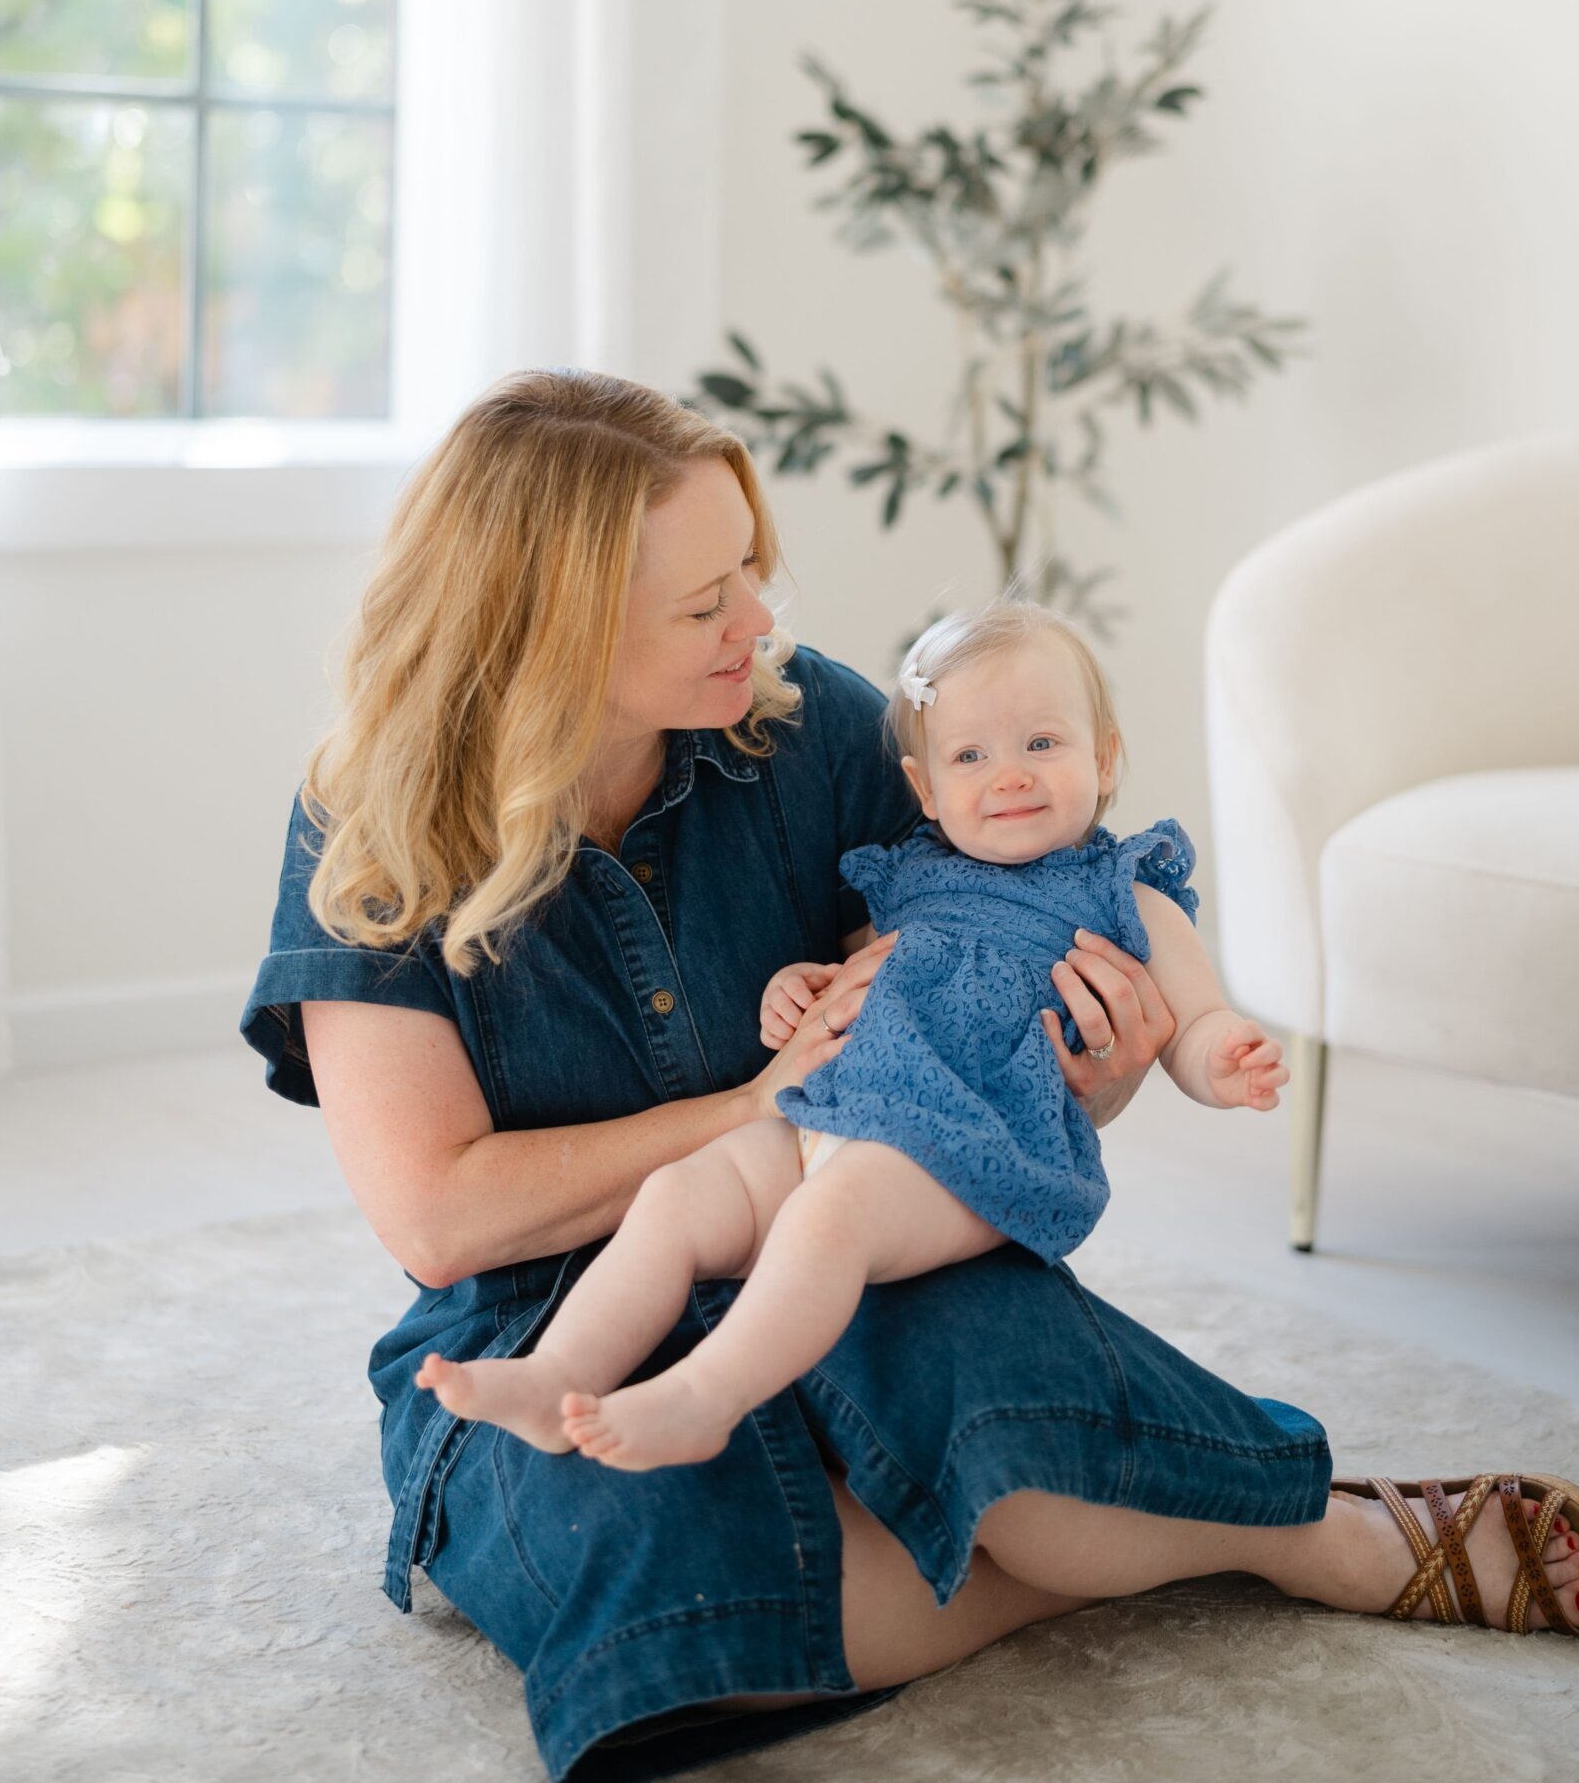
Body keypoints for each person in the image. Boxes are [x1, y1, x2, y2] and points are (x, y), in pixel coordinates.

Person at [240, 370, 1579, 1783]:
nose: (758, 624)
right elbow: (441, 1216)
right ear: (550, 624)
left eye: (749, 575)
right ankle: (1191, 1541)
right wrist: (744, 1103)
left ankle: (1310, 1532)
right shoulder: (373, 822)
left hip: (864, 1227)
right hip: (552, 1309)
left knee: (994, 1420)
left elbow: (1001, 979)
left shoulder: (815, 732)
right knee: (669, 1620)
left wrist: (1099, 1073)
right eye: (703, 604)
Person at [412, 597, 1291, 1472]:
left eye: (1041, 744)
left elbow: (1190, 1018)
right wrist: (803, 990)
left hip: (968, 1154)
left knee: (828, 1218)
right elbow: (871, 978)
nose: (1010, 775)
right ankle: (556, 1373)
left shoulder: (1123, 893)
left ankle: (703, 1397)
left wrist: (1224, 1059)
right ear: (924, 789)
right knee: (680, 1193)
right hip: (834, 1117)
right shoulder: (913, 880)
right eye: (971, 755)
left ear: (1103, 761)